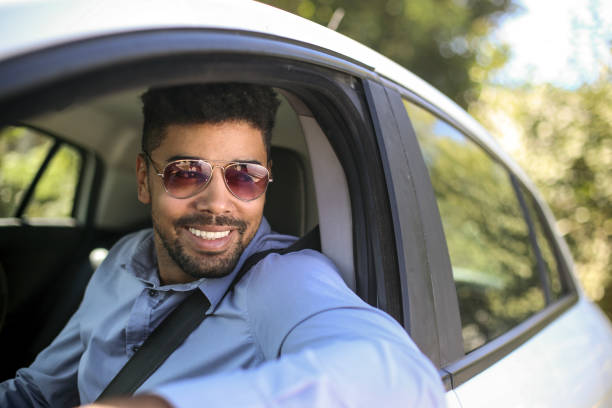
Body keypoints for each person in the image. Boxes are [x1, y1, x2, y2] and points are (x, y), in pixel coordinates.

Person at [0, 83, 445, 407]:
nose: (217, 204)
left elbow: (403, 383)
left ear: (267, 180)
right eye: (185, 173)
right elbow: (36, 392)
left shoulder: (282, 280)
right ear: (143, 179)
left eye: (244, 176)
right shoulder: (122, 257)